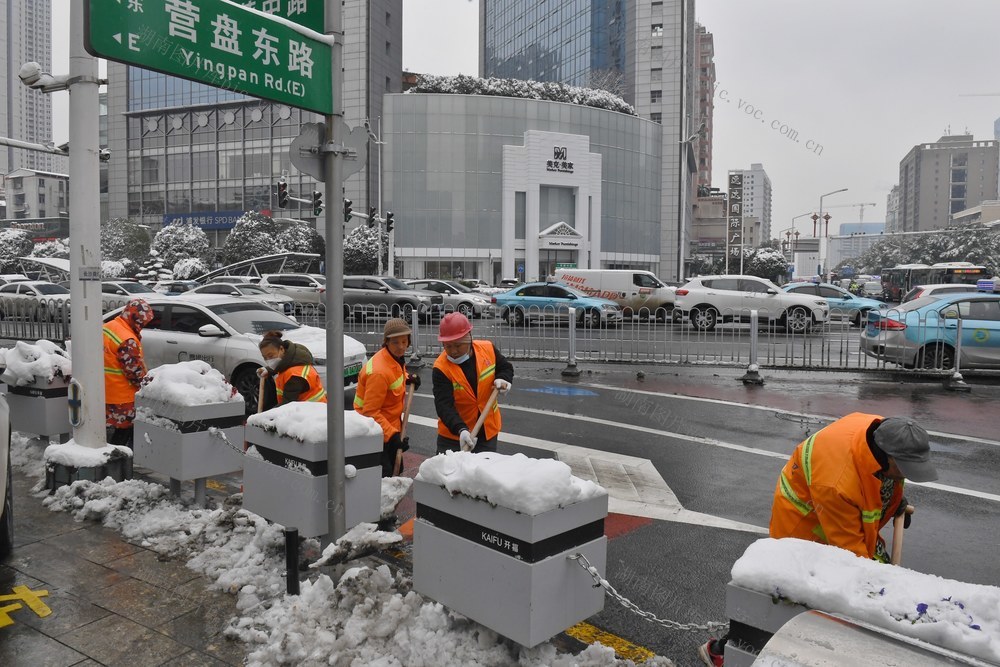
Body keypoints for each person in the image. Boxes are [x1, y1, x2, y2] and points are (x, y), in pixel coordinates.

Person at [698, 413, 937, 667]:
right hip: (803, 524)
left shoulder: (883, 432)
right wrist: (875, 589)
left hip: (836, 510)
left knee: (843, 590)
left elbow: (879, 486)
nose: (906, 476)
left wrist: (894, 500)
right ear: (887, 455)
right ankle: (722, 651)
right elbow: (854, 555)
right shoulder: (837, 483)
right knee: (792, 601)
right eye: (903, 469)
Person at [432, 312, 514, 454]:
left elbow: (505, 367)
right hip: (453, 437)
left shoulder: (487, 349)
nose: (453, 351)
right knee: (450, 474)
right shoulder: (441, 368)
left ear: (469, 337)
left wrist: (503, 378)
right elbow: (444, 405)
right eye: (448, 346)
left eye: (458, 345)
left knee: (483, 474)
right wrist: (461, 429)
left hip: (487, 432)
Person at [353, 318, 420, 477]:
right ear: (387, 342)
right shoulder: (379, 372)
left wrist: (407, 377)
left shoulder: (393, 359)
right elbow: (370, 412)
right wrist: (393, 436)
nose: (401, 347)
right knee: (385, 476)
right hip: (375, 432)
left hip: (389, 426)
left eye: (404, 341)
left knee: (398, 471)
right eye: (396, 342)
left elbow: (394, 376)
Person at [103, 298, 155, 446]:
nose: (143, 325)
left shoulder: (107, 327)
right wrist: (148, 386)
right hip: (122, 397)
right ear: (136, 319)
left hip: (104, 392)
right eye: (143, 322)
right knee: (124, 435)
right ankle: (120, 464)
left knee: (112, 433)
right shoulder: (127, 338)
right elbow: (134, 372)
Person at [256, 330, 327, 410]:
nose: (269, 360)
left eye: (271, 356)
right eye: (265, 358)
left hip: (312, 414)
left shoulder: (295, 377)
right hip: (304, 411)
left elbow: (287, 405)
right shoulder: (294, 358)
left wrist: (265, 416)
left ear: (282, 349)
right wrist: (268, 370)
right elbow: (284, 365)